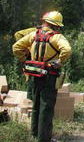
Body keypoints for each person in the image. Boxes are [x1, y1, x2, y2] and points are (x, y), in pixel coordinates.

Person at [12, 11, 72, 142]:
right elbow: (67, 50)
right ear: (56, 25)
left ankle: (34, 134)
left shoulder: (33, 35)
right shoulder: (57, 37)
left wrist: (25, 60)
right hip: (49, 76)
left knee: (36, 106)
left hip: (34, 75)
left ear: (45, 22)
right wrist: (60, 62)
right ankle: (44, 138)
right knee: (46, 107)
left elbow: (16, 47)